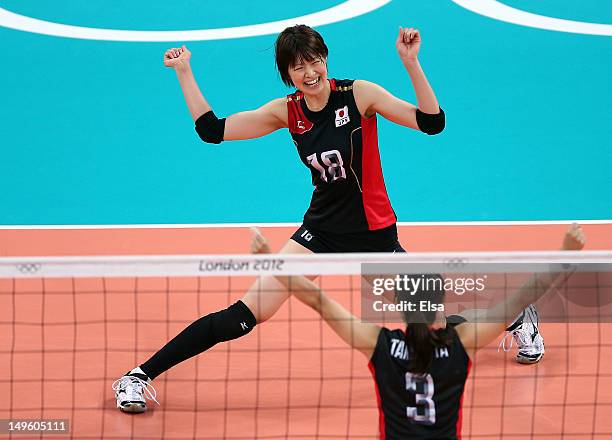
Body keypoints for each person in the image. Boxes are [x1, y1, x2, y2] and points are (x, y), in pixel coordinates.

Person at [112, 24, 527, 413]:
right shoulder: (286, 110)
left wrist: (411, 63)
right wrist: (184, 71)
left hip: (374, 233)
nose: (310, 72)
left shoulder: (359, 94)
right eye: (298, 66)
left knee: (429, 314)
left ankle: (517, 318)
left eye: (315, 61)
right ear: (287, 74)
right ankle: (138, 376)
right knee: (244, 315)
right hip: (320, 231)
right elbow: (212, 130)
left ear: (325, 59)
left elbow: (432, 122)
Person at [256, 224, 585, 439]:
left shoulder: (381, 346)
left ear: (400, 305)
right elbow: (522, 296)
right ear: (439, 306)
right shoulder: (458, 346)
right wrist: (566, 256)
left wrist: (273, 263)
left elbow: (319, 301)